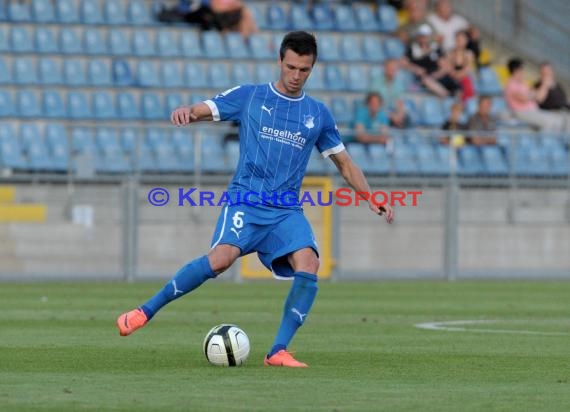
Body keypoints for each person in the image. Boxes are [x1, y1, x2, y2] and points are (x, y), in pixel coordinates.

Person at [116, 31, 395, 368]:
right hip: (245, 203)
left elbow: (344, 162)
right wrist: (189, 111)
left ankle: (277, 350)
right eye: (290, 67)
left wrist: (370, 196)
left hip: (285, 211)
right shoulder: (251, 96)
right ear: (280, 61)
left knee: (309, 263)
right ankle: (144, 311)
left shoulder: (317, 114)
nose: (295, 76)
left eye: (303, 70)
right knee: (220, 260)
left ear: (312, 68)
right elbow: (209, 107)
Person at [504, 58, 570, 132]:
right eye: (522, 69)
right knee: (554, 122)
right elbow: (526, 97)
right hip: (525, 112)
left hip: (534, 111)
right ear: (516, 70)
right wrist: (538, 90)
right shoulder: (511, 84)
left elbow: (531, 95)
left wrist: (533, 94)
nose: (523, 72)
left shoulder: (522, 84)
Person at [403, 23, 460, 98]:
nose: (424, 38)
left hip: (438, 75)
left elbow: (445, 66)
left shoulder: (435, 48)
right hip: (424, 78)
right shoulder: (413, 49)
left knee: (457, 86)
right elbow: (404, 62)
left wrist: (436, 74)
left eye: (426, 36)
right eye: (422, 36)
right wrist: (415, 68)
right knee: (427, 80)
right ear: (418, 37)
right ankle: (447, 97)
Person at [370, 59, 410, 128]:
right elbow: (374, 105)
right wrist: (392, 116)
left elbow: (400, 103)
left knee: (407, 119)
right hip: (379, 112)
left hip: (392, 113)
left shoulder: (398, 84)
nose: (393, 70)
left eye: (395, 68)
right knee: (381, 117)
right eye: (391, 68)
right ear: (385, 69)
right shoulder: (376, 83)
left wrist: (399, 115)